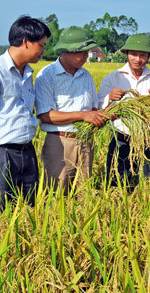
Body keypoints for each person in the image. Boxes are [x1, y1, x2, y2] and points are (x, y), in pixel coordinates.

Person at [0, 16, 51, 210]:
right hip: (0, 154)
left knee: (29, 211)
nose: (43, 51)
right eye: (41, 45)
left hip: (27, 151)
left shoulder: (28, 73)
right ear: (25, 42)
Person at [35, 26, 109, 194]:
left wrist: (107, 111)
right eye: (80, 52)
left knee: (84, 193)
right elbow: (46, 116)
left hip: (85, 142)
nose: (85, 56)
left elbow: (93, 108)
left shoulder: (86, 75)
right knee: (56, 194)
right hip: (60, 143)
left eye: (87, 52)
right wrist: (83, 115)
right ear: (65, 52)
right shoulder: (47, 75)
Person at [97, 34, 150, 186]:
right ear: (126, 54)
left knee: (148, 185)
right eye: (134, 54)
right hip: (121, 140)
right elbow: (98, 107)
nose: (138, 59)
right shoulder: (113, 78)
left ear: (149, 56)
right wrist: (110, 97)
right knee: (116, 184)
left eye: (143, 55)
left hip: (148, 141)